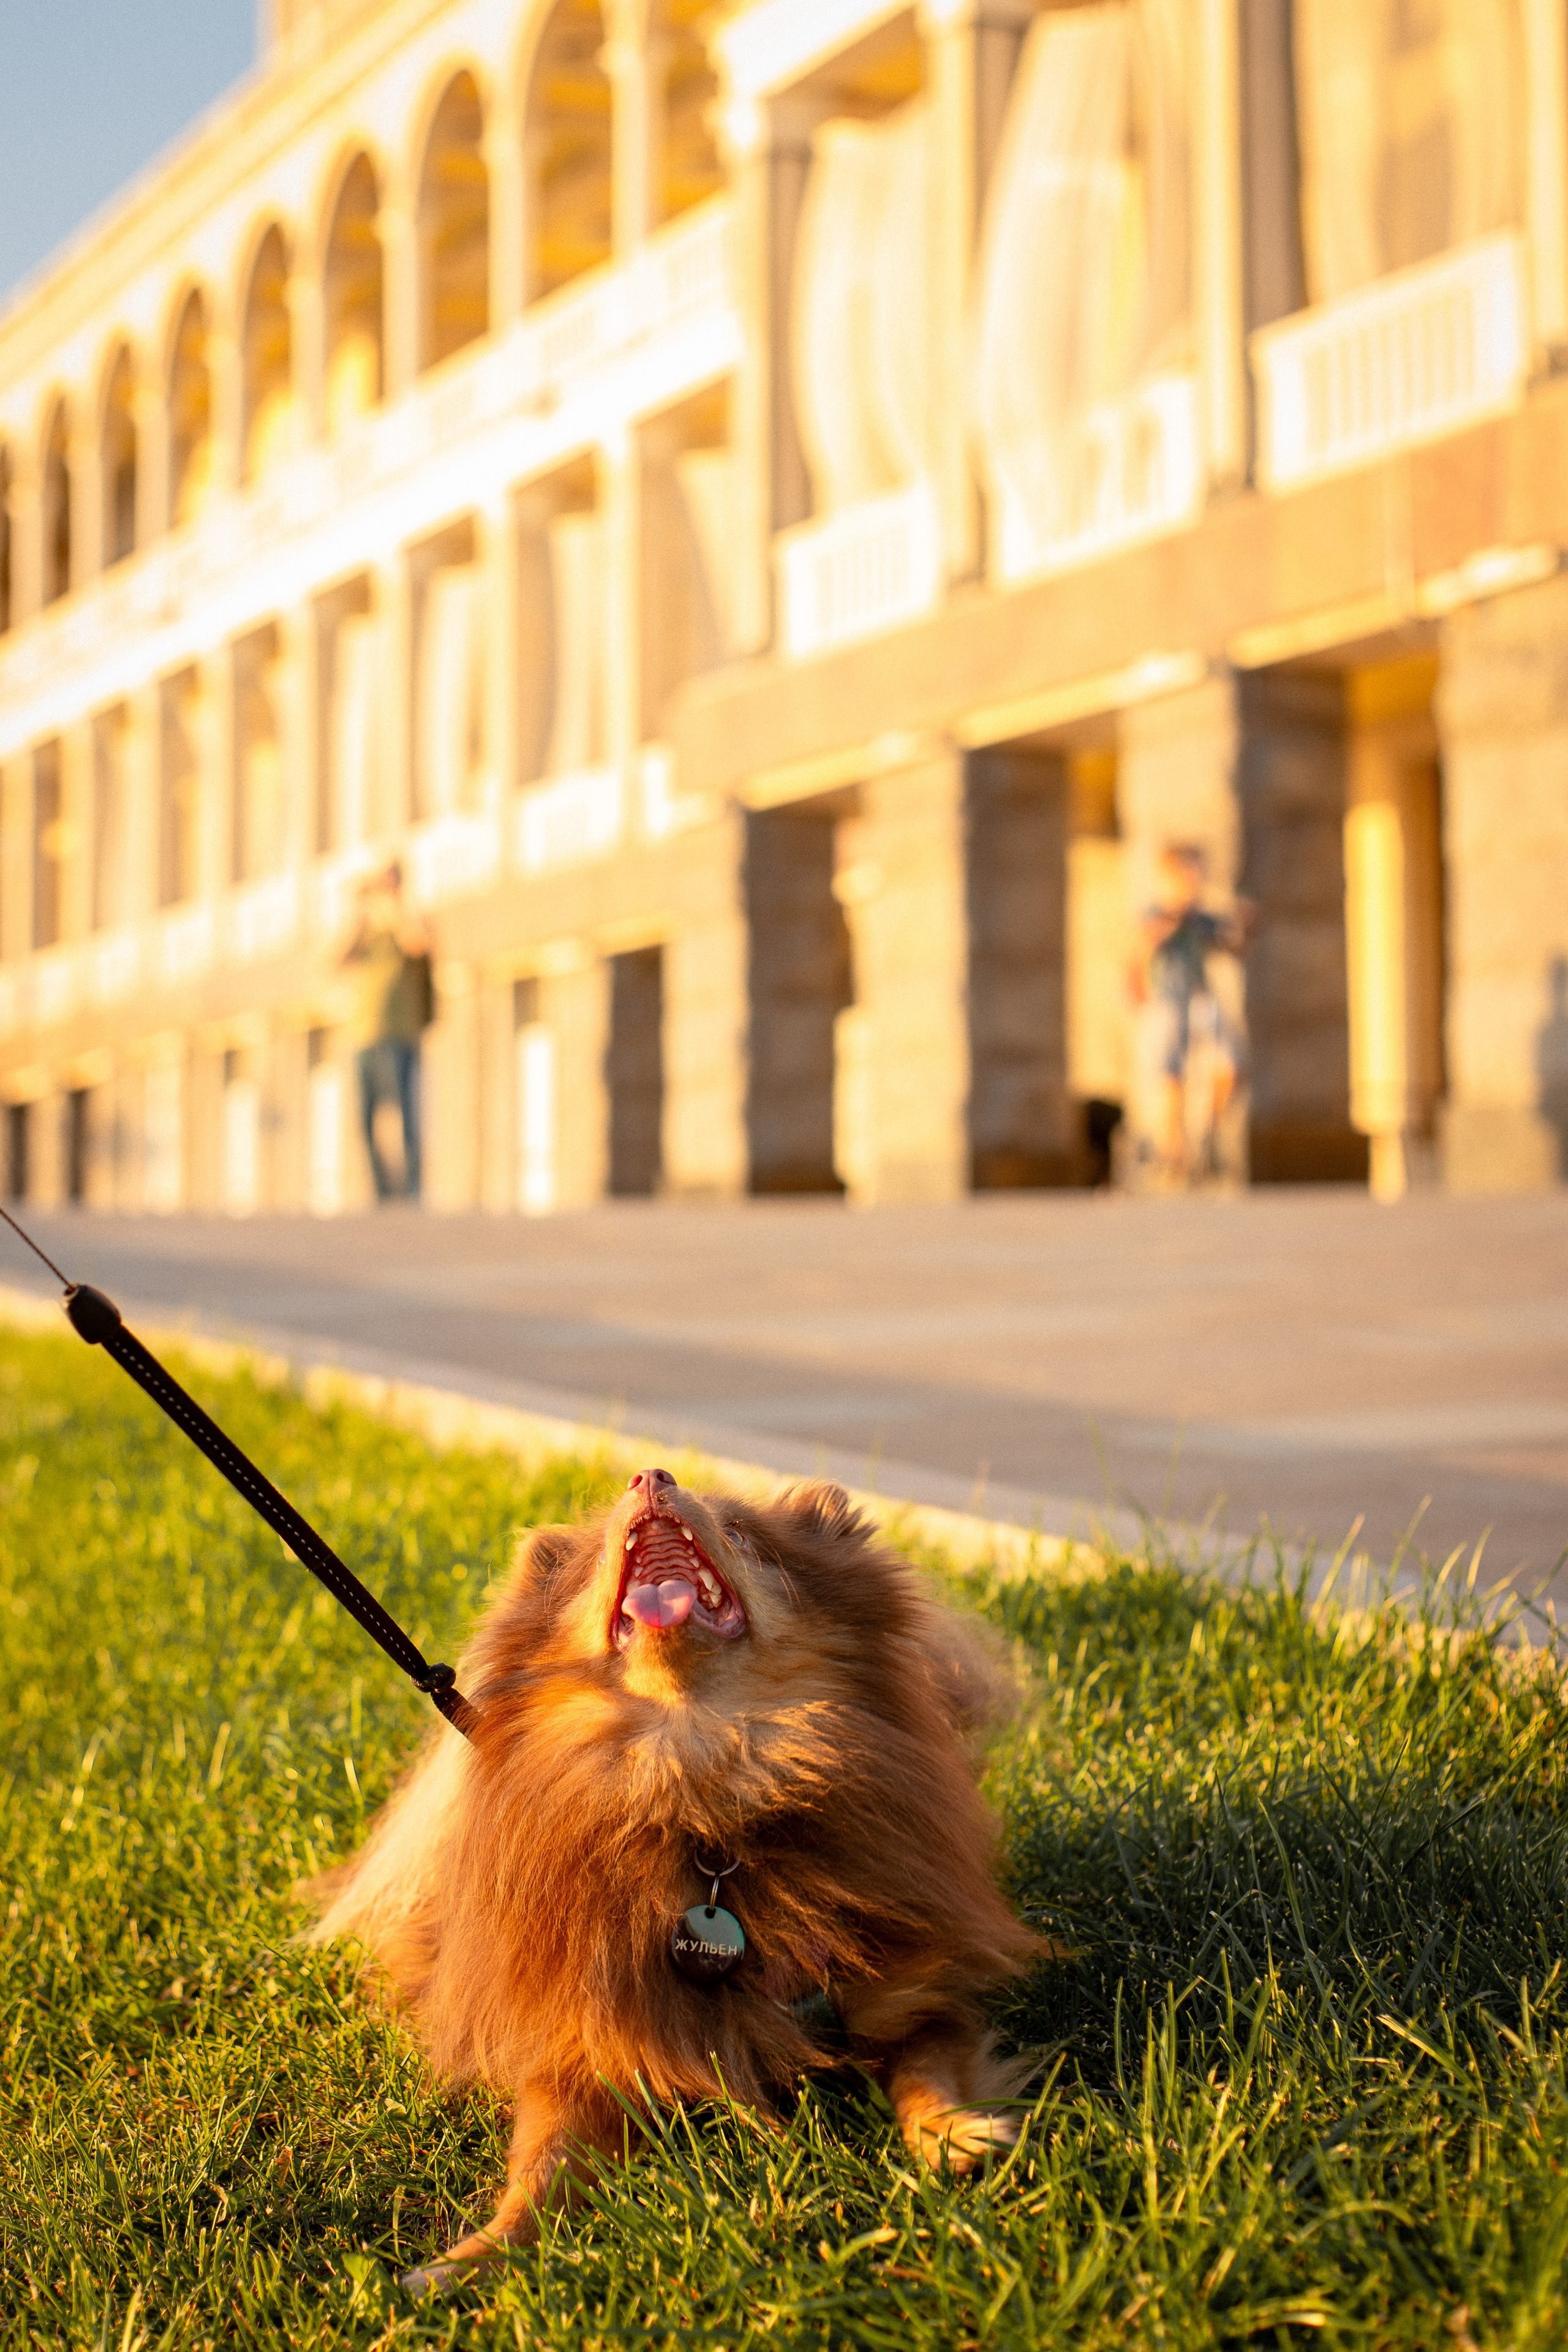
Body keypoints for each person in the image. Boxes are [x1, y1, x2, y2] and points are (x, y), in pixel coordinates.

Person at [1129, 842, 1252, 1185]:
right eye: (1188, 872)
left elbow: (1233, 946)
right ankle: (1173, 1154)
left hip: (1200, 997)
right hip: (1168, 999)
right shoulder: (1157, 913)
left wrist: (1244, 925)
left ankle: (1206, 1136)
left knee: (1233, 1060)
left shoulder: (1200, 919)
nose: (1196, 880)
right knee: (1171, 1073)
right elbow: (1140, 951)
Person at [341, 863, 434, 1202]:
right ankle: (383, 1192)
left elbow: (420, 944)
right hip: (364, 1035)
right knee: (365, 1121)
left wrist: (395, 905)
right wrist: (358, 911)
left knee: (407, 1118)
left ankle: (411, 1190)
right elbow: (336, 960)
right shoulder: (365, 930)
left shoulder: (410, 920)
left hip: (401, 1036)